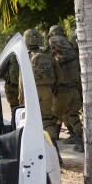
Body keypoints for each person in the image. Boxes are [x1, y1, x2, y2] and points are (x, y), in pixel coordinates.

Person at [19, 29, 64, 160]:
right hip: (47, 92)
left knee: (30, 121)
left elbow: (22, 80)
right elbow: (60, 76)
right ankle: (56, 155)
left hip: (32, 92)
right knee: (47, 121)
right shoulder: (48, 56)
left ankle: (32, 154)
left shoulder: (26, 56)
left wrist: (21, 97)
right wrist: (51, 87)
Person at [50, 35, 85, 153]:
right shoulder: (74, 57)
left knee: (51, 120)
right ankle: (81, 144)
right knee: (74, 117)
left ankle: (51, 148)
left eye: (53, 47)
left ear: (57, 47)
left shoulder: (57, 61)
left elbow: (53, 78)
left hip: (62, 94)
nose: (52, 50)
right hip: (74, 92)